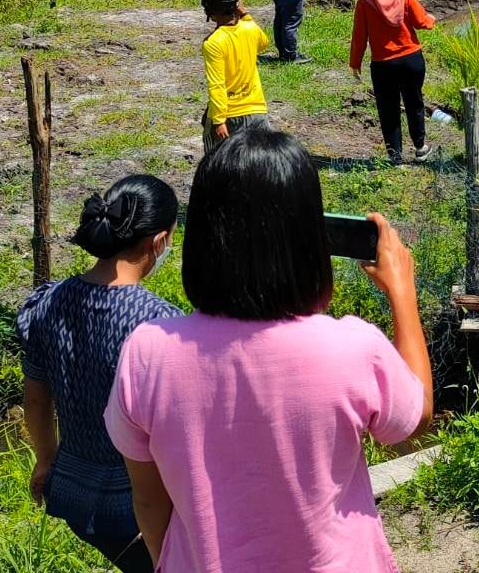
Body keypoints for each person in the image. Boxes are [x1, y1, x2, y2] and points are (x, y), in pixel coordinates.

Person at [104, 127, 434, 572]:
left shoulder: (147, 354)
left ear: (202, 238)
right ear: (309, 240)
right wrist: (403, 294)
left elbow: (147, 499)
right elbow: (414, 422)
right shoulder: (352, 348)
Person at [17, 175, 183, 573]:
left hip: (71, 492)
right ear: (159, 242)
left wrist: (45, 461)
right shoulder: (160, 324)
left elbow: (36, 400)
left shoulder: (47, 302)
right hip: (138, 508)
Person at [349, 0, 437, 163]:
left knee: (388, 110)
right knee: (414, 103)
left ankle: (395, 157)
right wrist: (431, 19)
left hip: (382, 65)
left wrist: (355, 62)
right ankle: (420, 148)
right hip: (411, 60)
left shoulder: (364, 1)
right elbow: (421, 22)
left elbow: (359, 36)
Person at [199, 0, 271, 154]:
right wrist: (245, 13)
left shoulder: (213, 43)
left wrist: (219, 121)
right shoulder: (250, 28)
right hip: (257, 111)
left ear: (209, 10)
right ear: (236, 4)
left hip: (230, 116)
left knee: (216, 166)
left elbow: (217, 84)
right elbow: (264, 43)